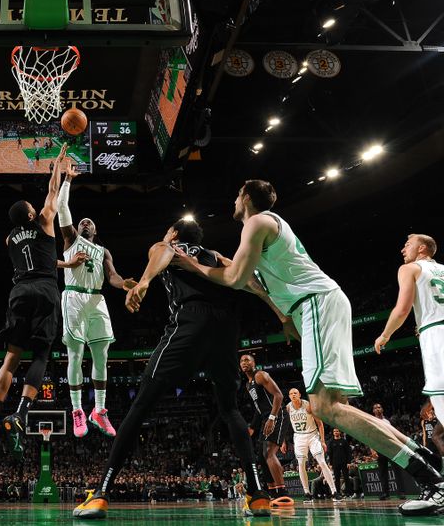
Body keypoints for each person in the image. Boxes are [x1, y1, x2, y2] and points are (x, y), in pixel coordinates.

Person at [173, 179, 444, 515]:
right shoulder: (268, 227)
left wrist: (192, 265)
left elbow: (235, 279)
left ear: (245, 197)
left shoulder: (256, 222)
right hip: (320, 304)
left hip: (315, 304)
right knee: (339, 407)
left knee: (327, 408)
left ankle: (432, 480)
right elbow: (253, 280)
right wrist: (282, 316)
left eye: (235, 195)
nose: (233, 200)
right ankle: (429, 463)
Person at [73, 219, 272, 519]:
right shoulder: (215, 255)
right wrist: (280, 312)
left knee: (139, 407)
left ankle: (101, 493)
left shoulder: (169, 245)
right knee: (230, 410)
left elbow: (163, 252)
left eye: (168, 232)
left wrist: (143, 282)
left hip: (190, 322)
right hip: (227, 328)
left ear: (175, 233)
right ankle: (257, 495)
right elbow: (248, 280)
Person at [0, 144, 69, 461]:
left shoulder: (9, 240)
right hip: (45, 290)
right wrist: (58, 166)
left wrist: (64, 264)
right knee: (41, 355)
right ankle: (19, 413)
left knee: (11, 358)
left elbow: (36, 259)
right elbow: (53, 192)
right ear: (32, 214)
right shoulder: (44, 221)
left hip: (18, 291)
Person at [55, 162, 135, 437]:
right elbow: (62, 208)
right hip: (74, 298)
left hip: (97, 300)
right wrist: (68, 180)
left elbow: (111, 277)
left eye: (89, 221)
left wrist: (125, 285)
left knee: (101, 356)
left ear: (96, 229)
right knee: (75, 356)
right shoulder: (70, 240)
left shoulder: (103, 250)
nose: (84, 222)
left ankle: (99, 411)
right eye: (81, 221)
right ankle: (77, 410)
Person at [374, 233, 444, 461]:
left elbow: (402, 309)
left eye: (407, 245)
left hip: (436, 336)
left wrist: (384, 335)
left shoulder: (410, 269)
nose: (403, 250)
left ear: (422, 248)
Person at [239, 354, 291, 503]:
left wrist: (272, 418)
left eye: (247, 360)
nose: (244, 363)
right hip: (264, 419)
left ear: (254, 363)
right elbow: (258, 409)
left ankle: (283, 491)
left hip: (277, 414)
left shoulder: (260, 375)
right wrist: (252, 427)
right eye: (242, 361)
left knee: (269, 452)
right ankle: (273, 491)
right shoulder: (248, 384)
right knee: (262, 457)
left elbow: (279, 395)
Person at [286, 388, 339, 502]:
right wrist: (283, 441)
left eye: (295, 393)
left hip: (312, 435)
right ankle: (307, 493)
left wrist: (323, 441)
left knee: (322, 462)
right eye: (291, 394)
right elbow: (285, 425)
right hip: (299, 436)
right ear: (289, 396)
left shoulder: (308, 406)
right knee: (300, 464)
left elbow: (320, 424)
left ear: (299, 394)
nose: (293, 395)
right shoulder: (288, 407)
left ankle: (334, 491)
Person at [372, 403, 405, 500]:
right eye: (375, 408)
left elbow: (395, 434)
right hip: (379, 448)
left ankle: (401, 492)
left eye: (379, 407)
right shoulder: (371, 421)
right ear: (373, 411)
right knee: (383, 472)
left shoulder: (388, 421)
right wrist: (372, 449)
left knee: (397, 470)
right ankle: (385, 493)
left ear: (382, 409)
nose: (377, 409)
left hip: (391, 448)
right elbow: (369, 435)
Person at [328, 428, 354, 497]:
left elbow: (348, 452)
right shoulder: (331, 442)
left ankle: (348, 493)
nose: (336, 432)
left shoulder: (344, 441)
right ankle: (338, 493)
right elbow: (330, 454)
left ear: (339, 432)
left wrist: (349, 462)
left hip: (344, 462)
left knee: (346, 477)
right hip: (335, 463)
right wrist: (330, 464)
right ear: (333, 433)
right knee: (337, 478)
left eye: (337, 431)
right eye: (334, 431)